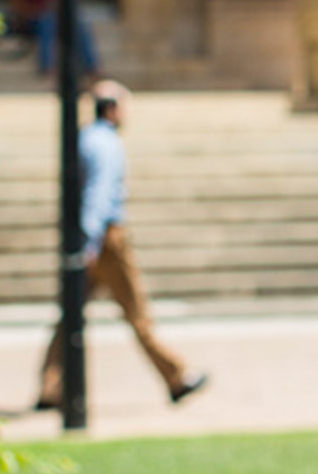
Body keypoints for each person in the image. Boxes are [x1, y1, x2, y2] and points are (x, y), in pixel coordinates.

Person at [37, 81, 208, 410]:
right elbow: (98, 196)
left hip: (91, 237)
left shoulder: (86, 138)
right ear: (113, 109)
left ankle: (50, 384)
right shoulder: (106, 144)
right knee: (138, 313)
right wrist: (90, 242)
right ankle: (176, 375)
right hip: (107, 240)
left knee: (70, 314)